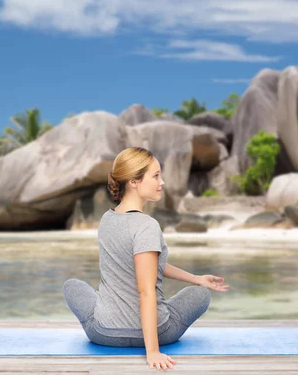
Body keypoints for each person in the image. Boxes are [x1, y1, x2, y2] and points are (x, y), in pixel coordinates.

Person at [63, 146, 229, 372]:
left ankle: (108, 306)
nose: (162, 182)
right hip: (159, 334)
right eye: (156, 176)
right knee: (200, 296)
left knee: (72, 286)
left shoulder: (106, 220)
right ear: (133, 181)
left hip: (104, 333)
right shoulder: (147, 226)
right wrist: (152, 351)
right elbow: (146, 291)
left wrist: (195, 277)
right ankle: (145, 331)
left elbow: (151, 266)